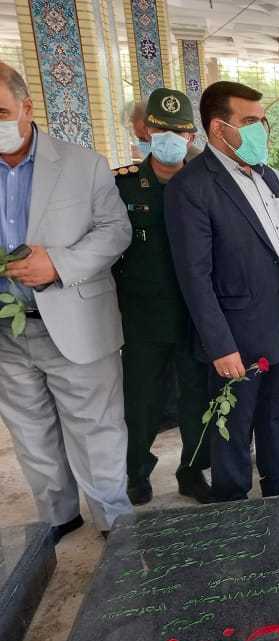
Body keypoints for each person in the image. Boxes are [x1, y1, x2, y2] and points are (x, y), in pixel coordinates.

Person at [165, 80, 279, 513]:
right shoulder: (192, 187)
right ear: (219, 128)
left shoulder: (267, 175)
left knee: (277, 413)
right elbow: (194, 276)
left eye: (263, 121)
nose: (262, 130)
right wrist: (220, 345)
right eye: (251, 121)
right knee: (233, 424)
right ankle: (234, 501)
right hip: (236, 330)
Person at [0, 64, 133, 541]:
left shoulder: (83, 164)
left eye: (0, 112)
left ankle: (113, 521)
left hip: (74, 320)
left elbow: (116, 231)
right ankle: (57, 518)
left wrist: (58, 264)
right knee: (30, 432)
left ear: (26, 108)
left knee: (96, 430)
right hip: (7, 334)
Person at [113, 88, 212, 507]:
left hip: (195, 315)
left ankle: (192, 470)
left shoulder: (206, 182)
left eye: (179, 131)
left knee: (197, 398)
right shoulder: (122, 186)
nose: (170, 138)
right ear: (147, 132)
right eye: (161, 130)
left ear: (191, 136)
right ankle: (136, 472)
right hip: (144, 318)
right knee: (142, 402)